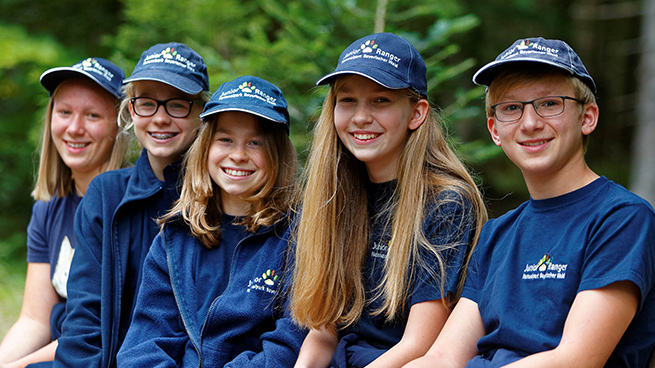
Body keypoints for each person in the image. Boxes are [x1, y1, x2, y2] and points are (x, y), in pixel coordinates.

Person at [404, 37, 655, 368]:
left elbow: (577, 360)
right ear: (494, 130)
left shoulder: (622, 219)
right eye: (511, 108)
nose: (530, 123)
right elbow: (442, 357)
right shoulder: (497, 234)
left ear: (587, 117)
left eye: (550, 103)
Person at [290, 32, 488, 368]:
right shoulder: (335, 196)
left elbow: (419, 345)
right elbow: (324, 333)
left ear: (416, 113)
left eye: (380, 101)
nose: (361, 117)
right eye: (347, 100)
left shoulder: (447, 203)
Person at [115, 75, 305, 367]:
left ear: (278, 154)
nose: (238, 155)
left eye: (255, 143)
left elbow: (288, 344)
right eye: (225, 140)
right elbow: (144, 343)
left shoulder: (298, 236)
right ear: (205, 148)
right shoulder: (175, 237)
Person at [52, 42, 210, 368]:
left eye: (177, 105)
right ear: (130, 109)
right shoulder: (107, 195)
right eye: (147, 104)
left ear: (200, 113)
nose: (160, 119)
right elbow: (84, 316)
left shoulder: (220, 197)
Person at [0, 58, 128, 368]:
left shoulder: (129, 206)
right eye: (64, 112)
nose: (74, 128)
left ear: (119, 125)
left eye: (93, 115)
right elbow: (34, 319)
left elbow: (96, 331)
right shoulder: (48, 209)